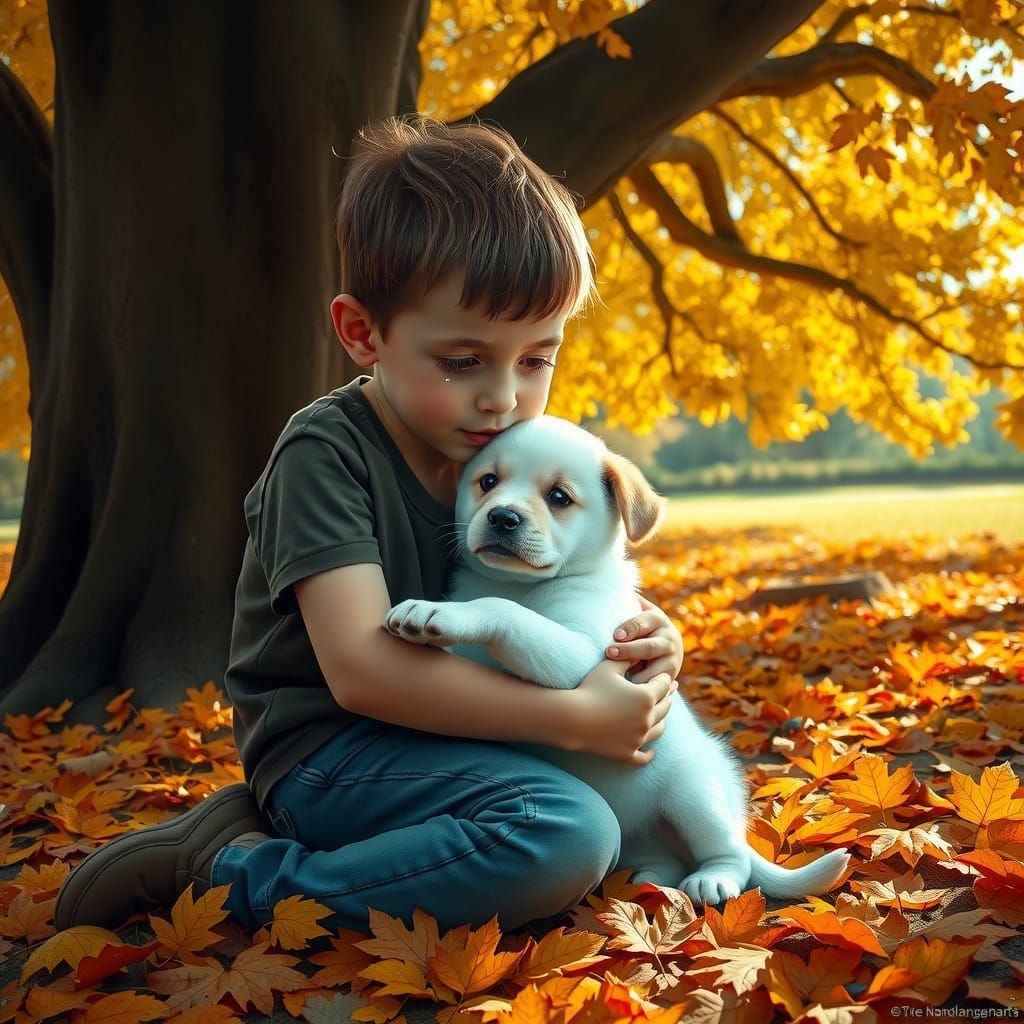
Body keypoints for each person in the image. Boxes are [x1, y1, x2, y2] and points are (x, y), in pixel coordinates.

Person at [54, 116, 683, 935]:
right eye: (463, 361)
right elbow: (363, 674)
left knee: (592, 818)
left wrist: (641, 642)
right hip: (331, 752)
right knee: (568, 832)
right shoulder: (324, 454)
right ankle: (224, 872)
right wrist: (575, 717)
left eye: (536, 359)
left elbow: (572, 585)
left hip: (456, 740)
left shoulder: (497, 455)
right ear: (362, 333)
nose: (503, 396)